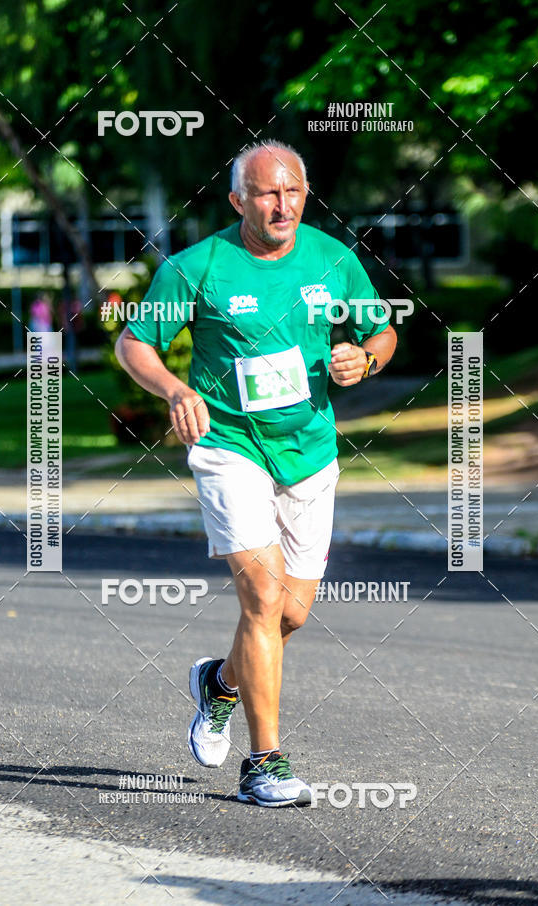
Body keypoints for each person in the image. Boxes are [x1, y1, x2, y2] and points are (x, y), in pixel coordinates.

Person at [115, 140, 397, 807]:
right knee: (263, 602)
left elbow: (381, 332)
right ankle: (264, 764)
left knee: (291, 614)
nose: (282, 206)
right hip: (228, 446)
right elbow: (134, 343)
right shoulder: (199, 267)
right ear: (238, 199)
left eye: (293, 191)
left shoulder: (333, 259)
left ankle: (218, 683)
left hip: (309, 452)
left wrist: (367, 358)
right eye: (266, 194)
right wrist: (175, 392)